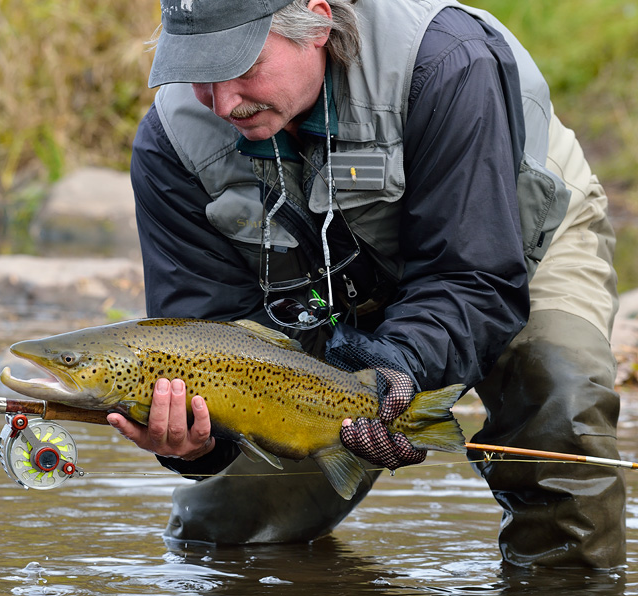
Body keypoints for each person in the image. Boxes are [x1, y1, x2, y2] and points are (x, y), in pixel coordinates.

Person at [108, 0, 626, 570]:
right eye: (201, 74)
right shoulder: (172, 144)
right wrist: (199, 446)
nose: (224, 102)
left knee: (559, 393)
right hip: (325, 298)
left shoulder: (446, 61)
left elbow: (471, 277)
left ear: (318, 22)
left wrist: (395, 372)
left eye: (242, 67)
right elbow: (208, 332)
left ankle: (568, 581)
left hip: (514, 242)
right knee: (221, 532)